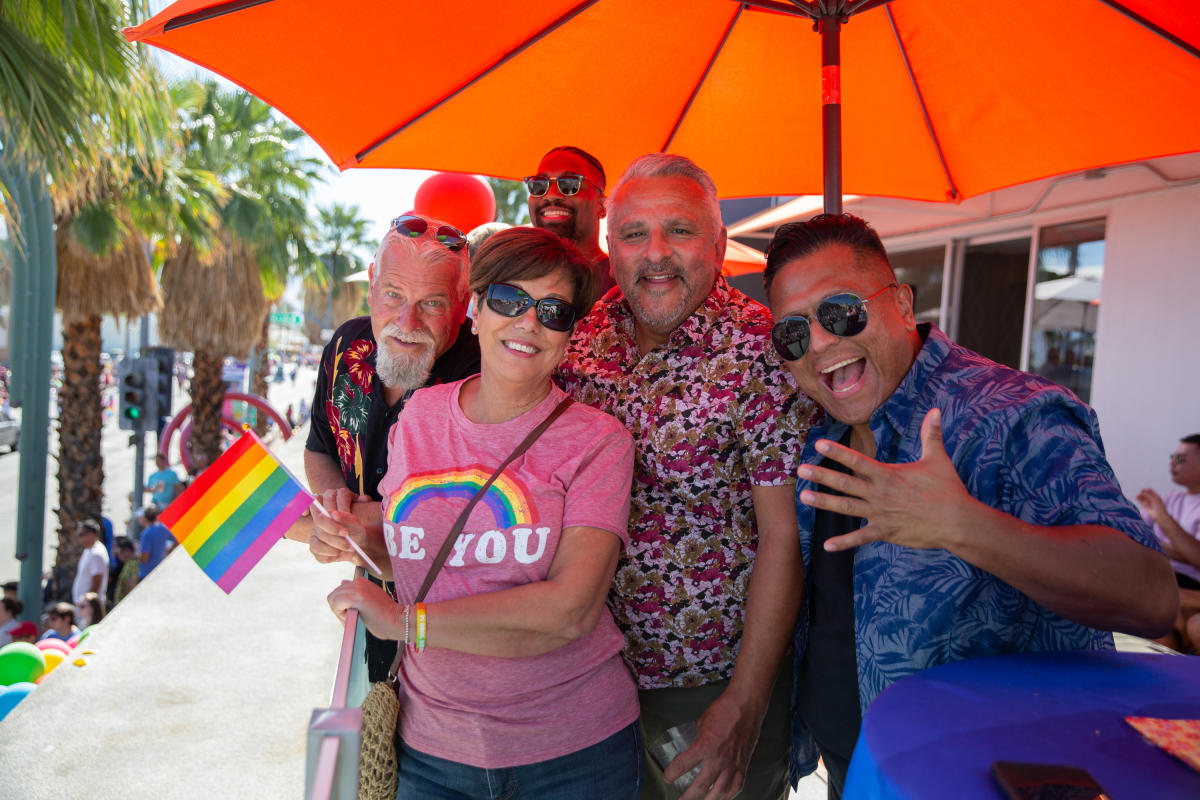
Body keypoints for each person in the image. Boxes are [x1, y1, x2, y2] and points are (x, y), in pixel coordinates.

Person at [762, 213, 1178, 798]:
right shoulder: (817, 435)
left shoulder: (1013, 415)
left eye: (841, 311)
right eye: (794, 333)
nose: (823, 342)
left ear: (903, 305)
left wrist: (968, 529)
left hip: (989, 780)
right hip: (860, 772)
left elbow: (1151, 596)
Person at [324, 226, 642, 799]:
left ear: (571, 332)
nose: (527, 322)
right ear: (475, 310)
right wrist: (353, 538)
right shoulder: (419, 415)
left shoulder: (599, 441)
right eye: (508, 300)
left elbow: (571, 610)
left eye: (553, 310)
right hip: (429, 751)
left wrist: (403, 623)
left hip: (574, 756)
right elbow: (416, 563)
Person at [556, 153, 815, 800]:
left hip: (708, 689)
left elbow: (784, 538)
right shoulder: (581, 340)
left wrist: (747, 705)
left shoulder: (763, 353)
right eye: (635, 233)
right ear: (609, 245)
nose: (657, 254)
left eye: (681, 230)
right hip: (581, 678)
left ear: (721, 242)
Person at [301, 214, 481, 682]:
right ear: (371, 286)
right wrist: (331, 497)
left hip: (454, 617)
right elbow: (320, 446)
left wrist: (348, 526)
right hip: (366, 600)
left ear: (463, 307)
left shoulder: (483, 374)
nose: (407, 321)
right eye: (394, 295)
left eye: (432, 303)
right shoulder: (346, 345)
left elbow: (476, 521)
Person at [1137, 433, 1200, 653]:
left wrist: (1163, 518)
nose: (1172, 463)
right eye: (1173, 457)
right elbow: (1136, 541)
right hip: (1162, 583)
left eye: (1180, 459)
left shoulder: (1161, 506)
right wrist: (1179, 551)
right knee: (1159, 637)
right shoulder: (1169, 499)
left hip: (1186, 587)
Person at [527, 145, 615, 298]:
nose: (551, 195)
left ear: (602, 206)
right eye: (540, 184)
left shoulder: (621, 282)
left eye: (569, 184)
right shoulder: (518, 276)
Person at [72, 520, 109, 609]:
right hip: (84, 606)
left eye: (81, 534)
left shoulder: (97, 553)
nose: (78, 538)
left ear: (91, 534)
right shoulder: (89, 550)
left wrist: (87, 603)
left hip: (90, 607)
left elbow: (97, 581)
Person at [138, 506, 174, 579]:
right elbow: (177, 541)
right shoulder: (163, 529)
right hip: (159, 570)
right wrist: (169, 551)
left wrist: (134, 556)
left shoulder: (146, 533)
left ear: (145, 518)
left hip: (147, 573)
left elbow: (145, 558)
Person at [112, 539, 140, 605]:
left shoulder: (132, 564)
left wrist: (125, 604)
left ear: (127, 551)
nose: (119, 556)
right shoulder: (128, 564)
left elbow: (131, 584)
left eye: (120, 552)